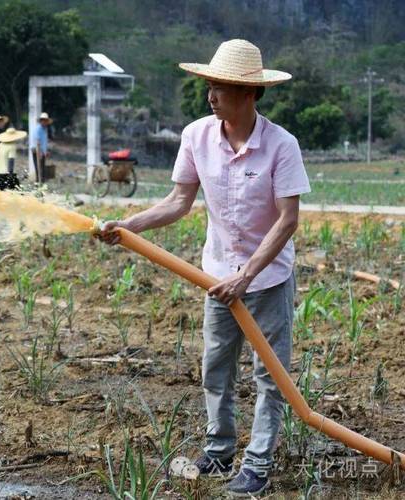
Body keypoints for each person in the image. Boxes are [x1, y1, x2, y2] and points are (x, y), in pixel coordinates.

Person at [97, 39, 310, 497]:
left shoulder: (281, 146)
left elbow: (288, 219)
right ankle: (219, 450)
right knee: (216, 367)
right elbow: (178, 201)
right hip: (215, 277)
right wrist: (128, 225)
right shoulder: (196, 135)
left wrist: (247, 275)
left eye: (221, 87)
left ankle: (257, 463)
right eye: (209, 85)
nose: (211, 95)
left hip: (266, 280)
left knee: (270, 375)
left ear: (250, 93)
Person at [30, 112, 52, 183]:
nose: (44, 122)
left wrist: (45, 151)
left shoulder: (45, 129)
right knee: (38, 168)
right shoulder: (38, 129)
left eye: (46, 120)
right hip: (37, 150)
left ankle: (41, 183)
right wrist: (39, 153)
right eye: (43, 120)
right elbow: (38, 142)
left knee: (42, 168)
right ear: (41, 121)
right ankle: (38, 184)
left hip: (42, 151)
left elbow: (44, 142)